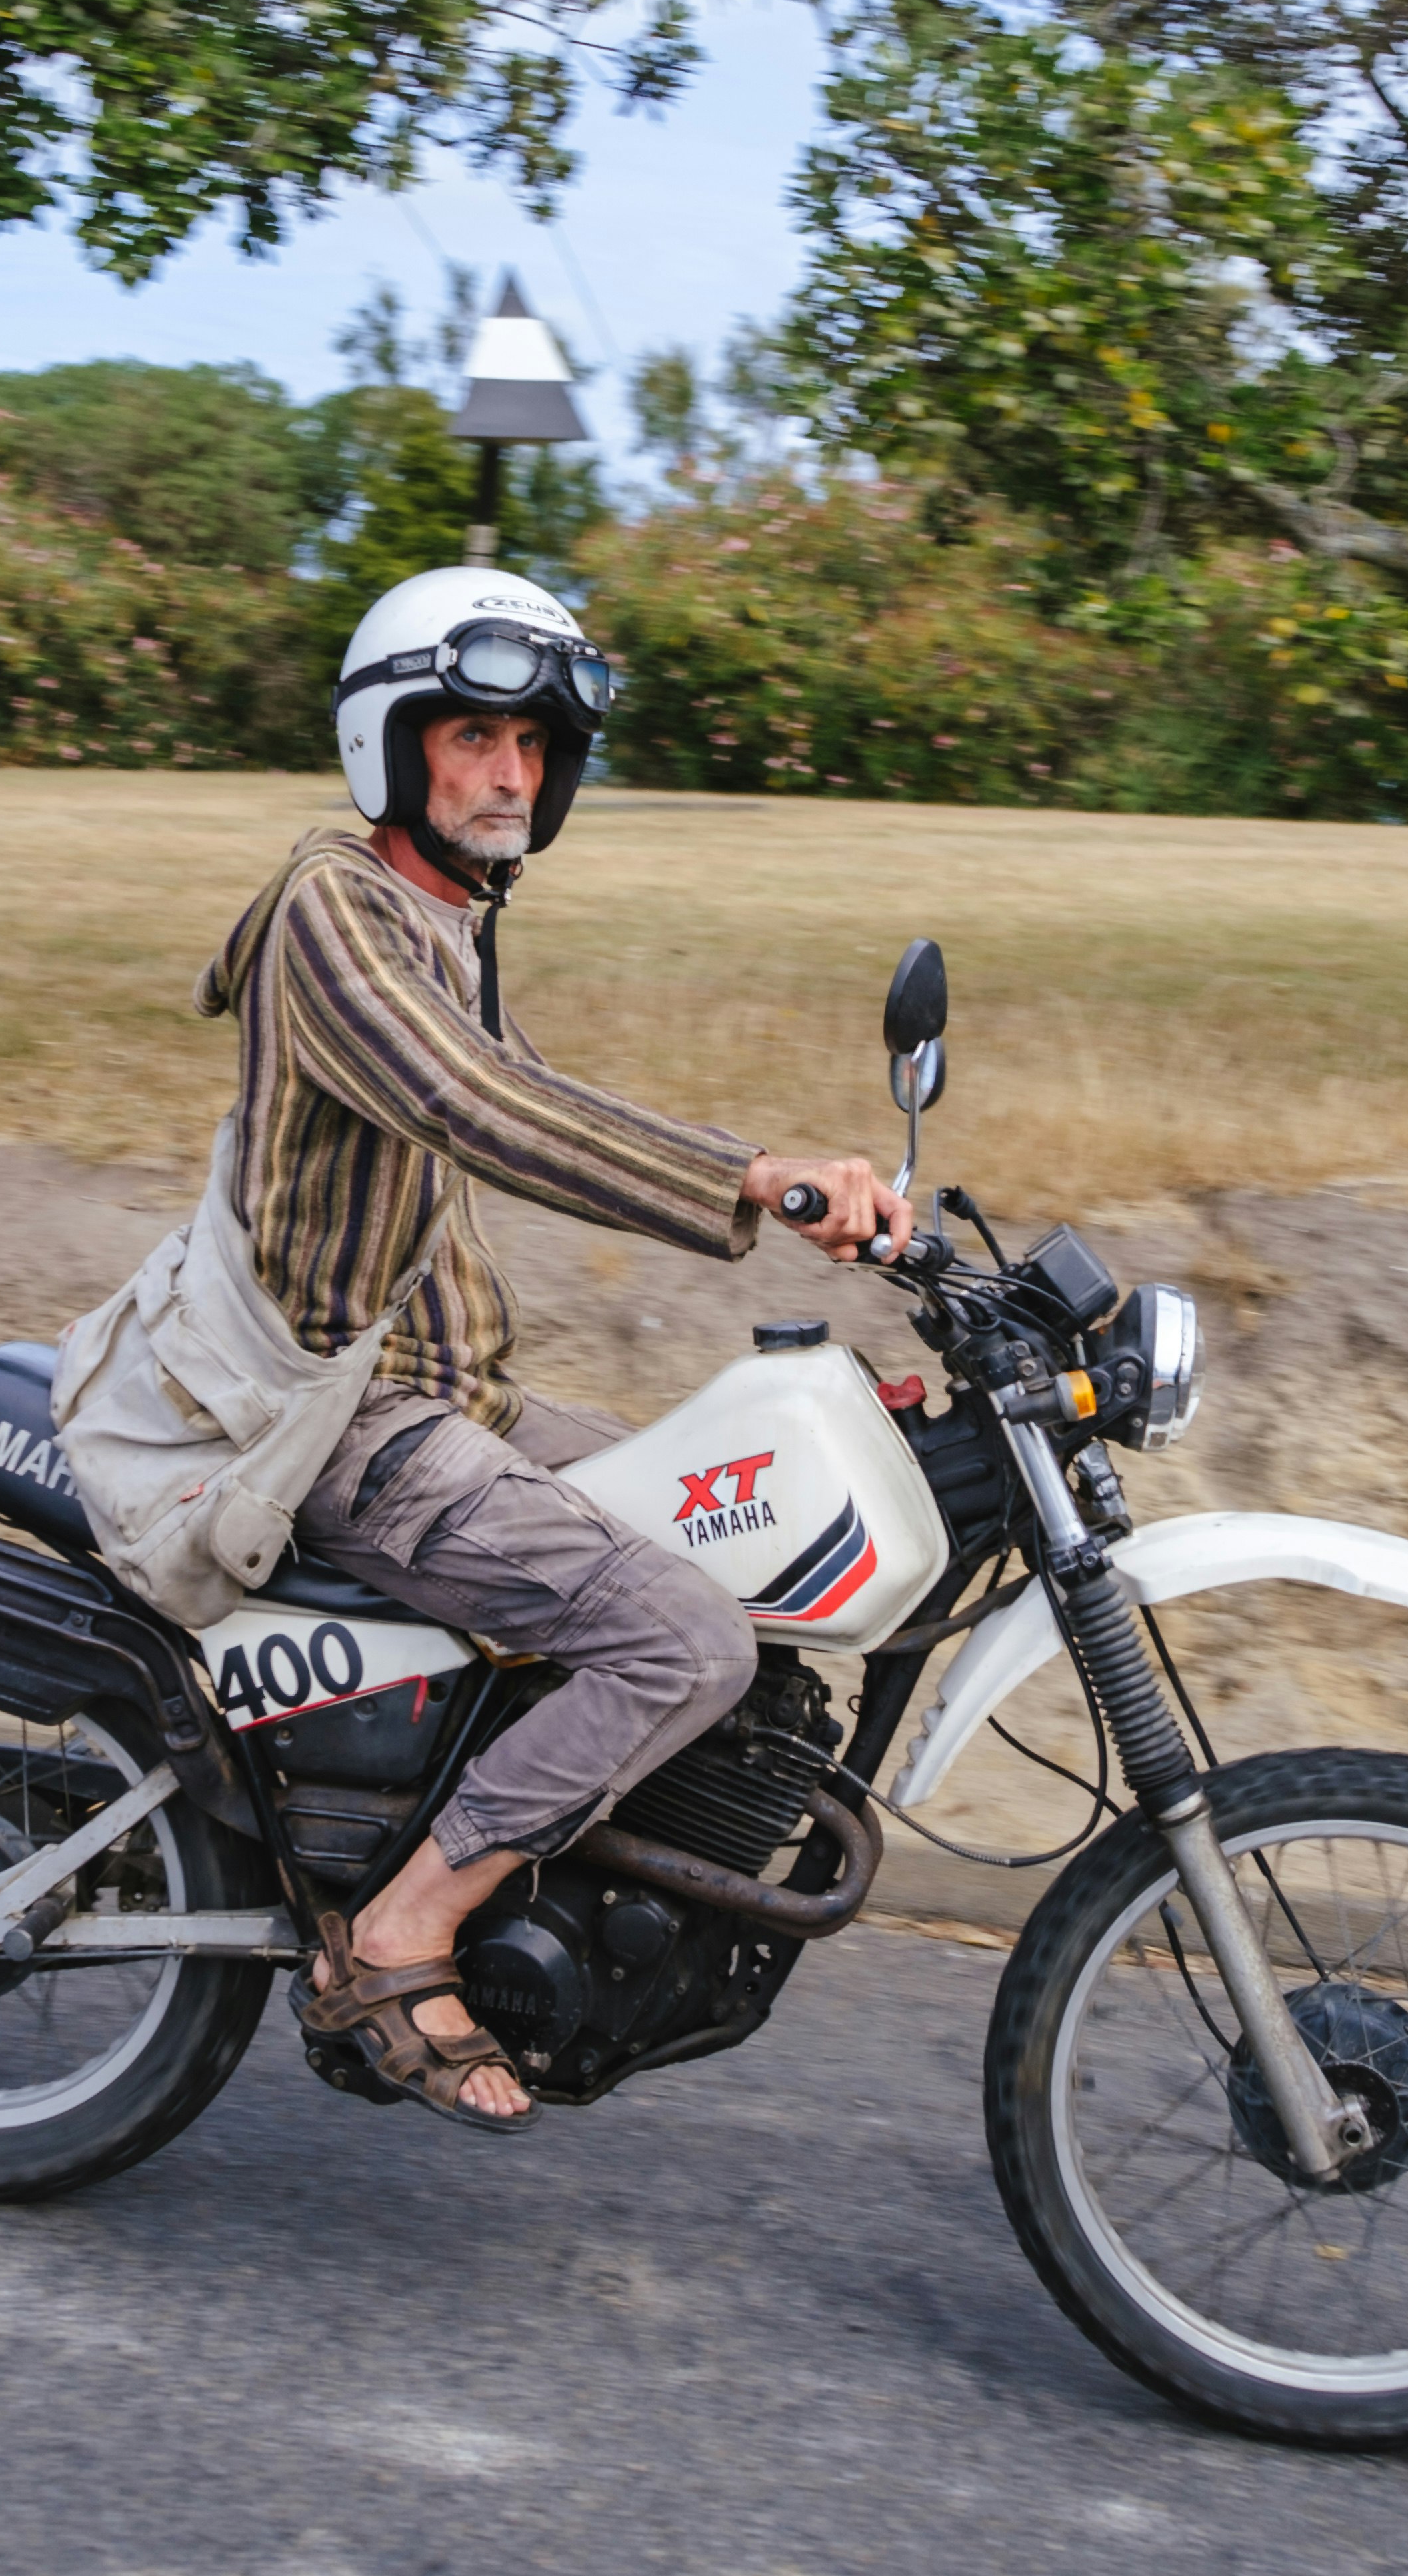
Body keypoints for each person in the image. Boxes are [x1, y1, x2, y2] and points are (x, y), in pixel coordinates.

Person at [195, 567, 897, 2130]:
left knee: (759, 1513)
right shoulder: (333, 910)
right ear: (395, 744)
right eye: (474, 737)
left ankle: (555, 1861)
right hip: (346, 1423)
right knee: (684, 1637)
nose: (512, 773)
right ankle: (401, 1927)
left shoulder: (435, 923)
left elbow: (510, 1078)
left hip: (462, 1400)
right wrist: (749, 1176)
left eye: (535, 745)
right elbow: (482, 1106)